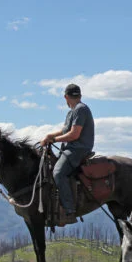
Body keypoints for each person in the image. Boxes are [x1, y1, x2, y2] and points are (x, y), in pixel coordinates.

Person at [40, 83, 95, 223]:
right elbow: (65, 130)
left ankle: (69, 210)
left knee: (58, 172)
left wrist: (53, 140)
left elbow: (74, 134)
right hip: (70, 148)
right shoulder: (73, 111)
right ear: (80, 95)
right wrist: (50, 136)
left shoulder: (80, 109)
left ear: (65, 97)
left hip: (78, 149)